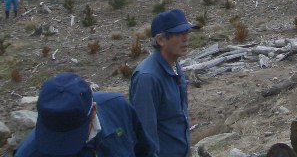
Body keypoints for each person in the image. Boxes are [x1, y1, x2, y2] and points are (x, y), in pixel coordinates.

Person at [15, 73, 152, 157]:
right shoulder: (28, 153)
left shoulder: (118, 109)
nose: (64, 148)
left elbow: (145, 151)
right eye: (55, 137)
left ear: (93, 111)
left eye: (73, 136)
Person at [130, 9, 200, 157]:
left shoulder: (175, 67)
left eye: (187, 32)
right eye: (178, 34)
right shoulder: (147, 78)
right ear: (160, 40)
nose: (185, 38)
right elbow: (145, 135)